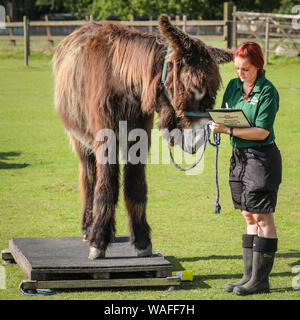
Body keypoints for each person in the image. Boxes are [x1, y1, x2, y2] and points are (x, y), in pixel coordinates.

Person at [210, 41, 282, 295]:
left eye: (245, 69)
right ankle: (248, 276)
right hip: (238, 157)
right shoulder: (232, 85)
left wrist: (228, 129)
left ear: (258, 67)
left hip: (261, 159)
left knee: (263, 217)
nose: (239, 74)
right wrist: (216, 123)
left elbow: (262, 131)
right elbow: (224, 112)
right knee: (248, 216)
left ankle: (261, 281)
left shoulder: (267, 92)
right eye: (237, 68)